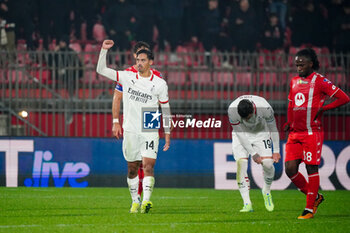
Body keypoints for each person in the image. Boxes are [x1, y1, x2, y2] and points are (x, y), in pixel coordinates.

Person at [97, 40, 171, 214]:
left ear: (150, 61)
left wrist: (167, 132)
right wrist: (103, 50)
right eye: (138, 59)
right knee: (132, 168)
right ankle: (135, 201)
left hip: (150, 123)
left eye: (143, 60)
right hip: (130, 126)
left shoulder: (160, 82)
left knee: (148, 166)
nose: (139, 63)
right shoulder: (127, 76)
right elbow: (101, 70)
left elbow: (165, 108)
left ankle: (146, 201)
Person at [284, 48, 350, 219]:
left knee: (311, 167)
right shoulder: (294, 81)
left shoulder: (320, 81)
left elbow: (344, 98)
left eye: (301, 64)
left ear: (311, 63)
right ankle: (316, 197)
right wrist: (289, 121)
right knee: (290, 169)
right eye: (297, 64)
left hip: (312, 132)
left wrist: (324, 108)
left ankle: (309, 209)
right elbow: (291, 104)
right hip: (294, 133)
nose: (298, 67)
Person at [112, 41, 163, 203]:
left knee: (147, 162)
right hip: (132, 120)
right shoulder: (127, 74)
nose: (143, 59)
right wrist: (115, 121)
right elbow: (117, 98)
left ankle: (144, 197)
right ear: (135, 57)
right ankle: (137, 196)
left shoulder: (157, 75)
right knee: (135, 163)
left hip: (149, 117)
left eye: (146, 55)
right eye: (140, 56)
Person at [228, 95, 281, 212]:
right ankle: (247, 203)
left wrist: (276, 150)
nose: (247, 120)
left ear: (253, 109)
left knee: (268, 164)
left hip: (260, 133)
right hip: (241, 135)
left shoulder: (265, 107)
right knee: (241, 166)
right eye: (244, 118)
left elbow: (273, 127)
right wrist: (253, 153)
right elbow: (240, 135)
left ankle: (266, 191)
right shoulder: (232, 110)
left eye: (248, 117)